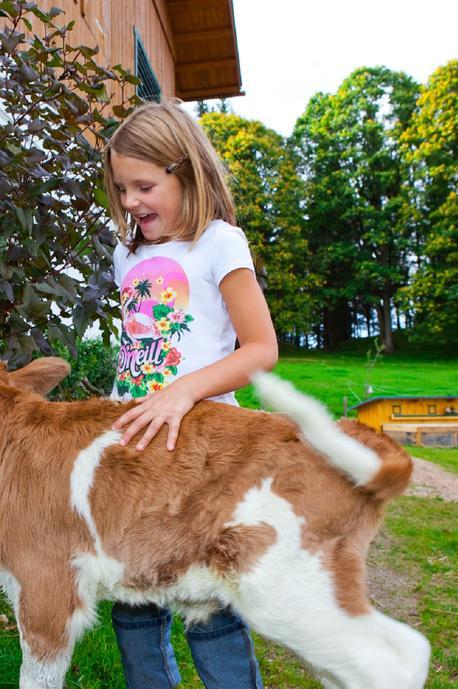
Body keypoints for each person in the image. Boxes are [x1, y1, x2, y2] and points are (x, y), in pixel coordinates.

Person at [103, 99, 279, 689]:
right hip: (133, 455)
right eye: (122, 188)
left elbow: (259, 350)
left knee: (208, 603)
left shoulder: (220, 244)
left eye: (144, 186)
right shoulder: (126, 255)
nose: (130, 202)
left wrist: (184, 393)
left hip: (201, 458)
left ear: (186, 172)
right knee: (131, 601)